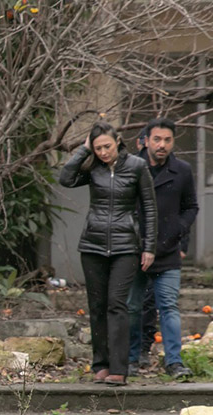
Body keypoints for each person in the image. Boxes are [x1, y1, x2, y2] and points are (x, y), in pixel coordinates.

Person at [58, 121, 157, 387]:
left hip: (126, 245)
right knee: (97, 306)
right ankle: (100, 364)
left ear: (118, 141)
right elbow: (65, 178)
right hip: (92, 244)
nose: (103, 152)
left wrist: (149, 247)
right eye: (98, 147)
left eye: (107, 146)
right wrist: (84, 149)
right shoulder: (93, 168)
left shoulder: (137, 166)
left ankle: (118, 368)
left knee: (117, 304)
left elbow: (149, 207)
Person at [128, 117, 199, 379]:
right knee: (133, 307)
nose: (162, 145)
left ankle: (174, 362)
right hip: (134, 251)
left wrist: (178, 234)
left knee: (168, 307)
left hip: (167, 251)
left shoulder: (182, 170)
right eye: (157, 139)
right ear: (146, 140)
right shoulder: (132, 168)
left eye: (167, 140)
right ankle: (131, 359)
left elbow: (190, 207)